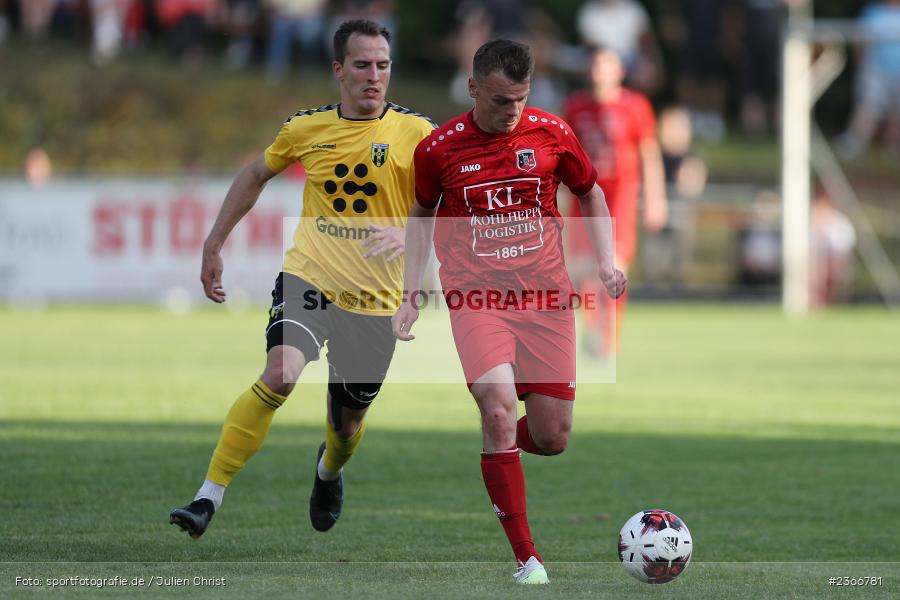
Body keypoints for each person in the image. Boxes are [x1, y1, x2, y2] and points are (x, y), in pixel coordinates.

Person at [169, 19, 435, 538]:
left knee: (346, 426)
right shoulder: (305, 128)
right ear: (339, 70)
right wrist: (213, 241)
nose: (374, 76)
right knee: (281, 374)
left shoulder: (419, 134)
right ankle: (207, 498)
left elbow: (454, 205)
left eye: (383, 65)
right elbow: (255, 174)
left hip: (375, 300)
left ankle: (328, 471)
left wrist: (411, 238)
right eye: (362, 65)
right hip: (309, 279)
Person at [391, 40, 625, 585]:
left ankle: (497, 455)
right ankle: (527, 558)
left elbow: (589, 192)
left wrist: (607, 260)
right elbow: (422, 215)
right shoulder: (439, 150)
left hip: (546, 299)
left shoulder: (551, 132)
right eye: (500, 100)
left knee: (552, 436)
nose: (512, 111)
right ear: (473, 89)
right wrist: (410, 294)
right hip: (477, 299)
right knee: (497, 409)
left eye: (520, 99)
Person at [563, 45, 667, 357]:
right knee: (583, 269)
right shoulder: (576, 107)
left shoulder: (635, 106)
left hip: (619, 198)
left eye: (605, 66)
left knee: (614, 267)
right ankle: (593, 329)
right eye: (594, 66)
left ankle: (610, 338)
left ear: (619, 72)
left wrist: (655, 197)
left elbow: (649, 153)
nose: (598, 72)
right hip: (583, 199)